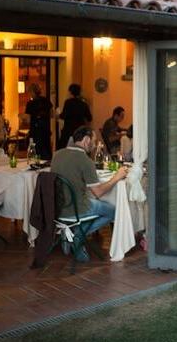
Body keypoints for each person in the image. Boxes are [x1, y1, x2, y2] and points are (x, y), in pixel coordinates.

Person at [50, 126, 127, 261]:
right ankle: (78, 235)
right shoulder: (86, 161)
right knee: (115, 211)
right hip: (76, 209)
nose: (95, 145)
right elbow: (98, 193)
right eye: (94, 141)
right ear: (86, 140)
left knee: (92, 202)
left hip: (56, 207)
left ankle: (70, 233)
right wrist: (117, 177)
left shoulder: (57, 155)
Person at [57, 83, 92, 150]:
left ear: (70, 92)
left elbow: (63, 115)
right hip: (80, 131)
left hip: (68, 130)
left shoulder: (68, 102)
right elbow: (90, 118)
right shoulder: (83, 104)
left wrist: (58, 115)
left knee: (64, 149)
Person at [25, 83, 53, 160]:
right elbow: (52, 114)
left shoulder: (30, 104)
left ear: (32, 92)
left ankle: (36, 164)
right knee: (46, 149)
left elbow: (28, 120)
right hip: (45, 129)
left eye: (29, 92)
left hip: (35, 131)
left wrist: (22, 117)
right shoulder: (46, 101)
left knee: (35, 150)